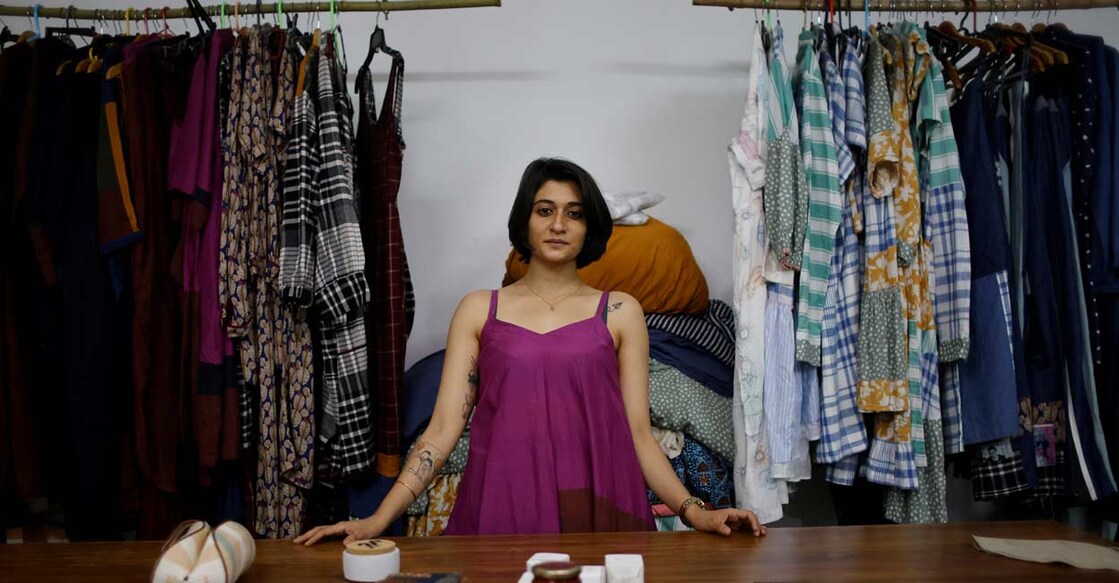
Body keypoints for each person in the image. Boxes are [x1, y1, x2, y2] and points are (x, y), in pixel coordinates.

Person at [295, 158, 767, 544]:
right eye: (545, 210)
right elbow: (440, 433)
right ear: (524, 219)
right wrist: (379, 519)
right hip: (502, 506)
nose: (559, 224)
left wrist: (694, 512)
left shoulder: (622, 312)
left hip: (600, 507)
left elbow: (640, 437)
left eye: (574, 213)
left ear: (589, 227)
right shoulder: (479, 310)